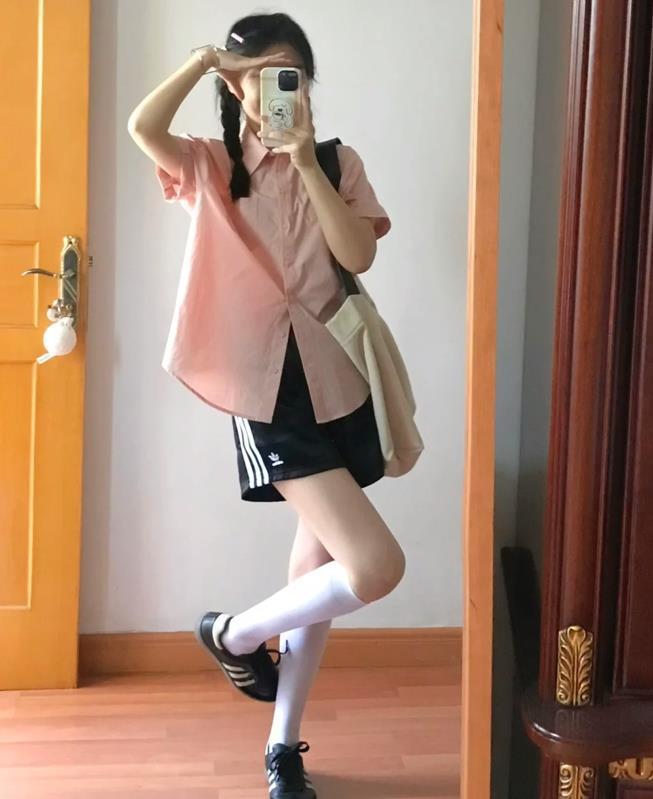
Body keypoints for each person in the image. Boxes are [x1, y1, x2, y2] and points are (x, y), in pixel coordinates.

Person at [127, 12, 406, 799]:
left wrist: (307, 163)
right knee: (374, 565)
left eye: (288, 73)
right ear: (233, 86)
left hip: (338, 379)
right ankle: (236, 632)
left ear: (307, 83)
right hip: (262, 385)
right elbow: (142, 126)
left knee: (318, 564)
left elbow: (357, 253)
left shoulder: (336, 160)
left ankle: (282, 746)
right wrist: (204, 63)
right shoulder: (210, 165)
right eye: (255, 75)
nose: (272, 88)